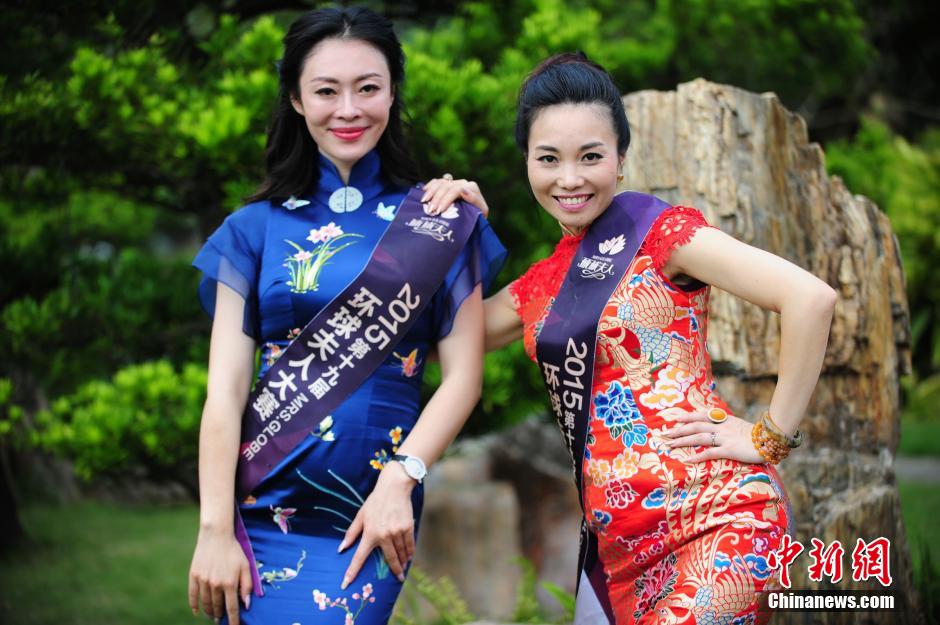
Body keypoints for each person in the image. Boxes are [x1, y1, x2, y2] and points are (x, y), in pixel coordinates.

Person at [478, 53, 836, 624]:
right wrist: (458, 225)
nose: (569, 178)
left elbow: (810, 299)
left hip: (718, 522)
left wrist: (770, 436)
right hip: (618, 558)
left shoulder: (660, 235)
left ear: (620, 160)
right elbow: (452, 331)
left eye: (590, 157)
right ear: (527, 164)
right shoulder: (541, 286)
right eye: (549, 159)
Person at [187, 7, 505, 625]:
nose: (349, 109)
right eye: (326, 91)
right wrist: (213, 528)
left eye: (368, 88)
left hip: (371, 511)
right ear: (297, 101)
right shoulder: (251, 230)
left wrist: (401, 480)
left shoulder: (437, 221)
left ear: (392, 92)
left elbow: (464, 379)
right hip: (256, 509)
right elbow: (224, 393)